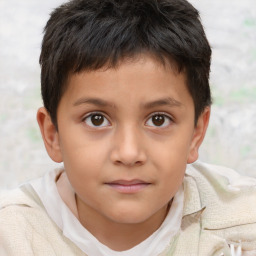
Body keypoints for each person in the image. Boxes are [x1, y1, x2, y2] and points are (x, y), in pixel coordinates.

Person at [0, 0, 256, 255]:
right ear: (52, 135)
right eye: (96, 119)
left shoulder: (245, 228)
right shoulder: (11, 236)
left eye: (158, 119)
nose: (129, 153)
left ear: (195, 134)